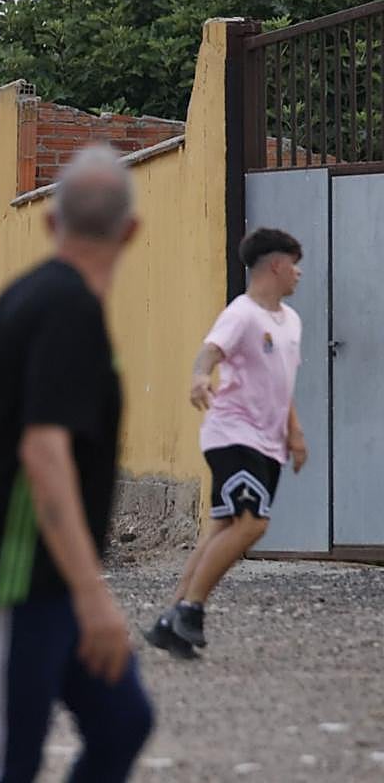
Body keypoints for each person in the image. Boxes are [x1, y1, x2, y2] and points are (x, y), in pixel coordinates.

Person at [0, 146, 152, 782]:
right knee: (5, 760)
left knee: (122, 720)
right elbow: (44, 453)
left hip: (45, 574)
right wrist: (94, 595)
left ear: (51, 224)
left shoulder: (29, 295)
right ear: (131, 231)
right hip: (12, 574)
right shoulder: (66, 310)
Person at [144, 228, 305, 658]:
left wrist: (295, 432)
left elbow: (281, 383)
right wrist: (199, 377)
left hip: (267, 443)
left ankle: (169, 620)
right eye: (295, 263)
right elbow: (210, 351)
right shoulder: (243, 313)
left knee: (220, 529)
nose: (300, 273)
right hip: (232, 433)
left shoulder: (291, 322)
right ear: (276, 265)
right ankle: (192, 609)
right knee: (253, 522)